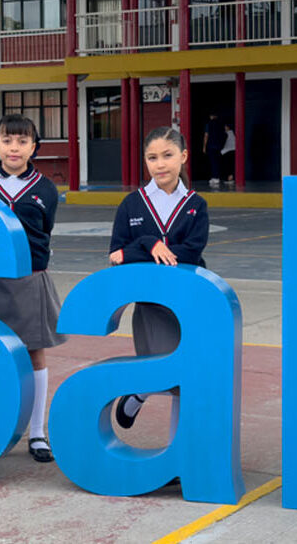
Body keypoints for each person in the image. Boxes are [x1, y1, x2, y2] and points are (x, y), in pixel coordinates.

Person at [0, 114, 65, 464]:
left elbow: (45, 230)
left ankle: (37, 432)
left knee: (34, 353)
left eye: (23, 141)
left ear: (34, 147)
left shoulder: (44, 189)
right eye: (7, 140)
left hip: (29, 278)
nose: (14, 147)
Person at [109, 126, 209, 440]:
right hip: (151, 304)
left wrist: (140, 249)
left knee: (186, 379)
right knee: (156, 366)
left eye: (167, 155)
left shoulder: (196, 204)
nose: (160, 164)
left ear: (183, 156)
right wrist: (150, 243)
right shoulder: (131, 204)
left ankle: (177, 451)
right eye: (152, 157)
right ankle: (139, 393)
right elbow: (116, 253)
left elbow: (191, 252)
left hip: (188, 301)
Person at [203, 113, 227, 189]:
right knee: (218, 161)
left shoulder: (209, 124)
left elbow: (206, 135)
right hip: (219, 146)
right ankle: (219, 176)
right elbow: (225, 134)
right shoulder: (221, 124)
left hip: (211, 145)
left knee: (213, 161)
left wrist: (204, 146)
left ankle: (215, 177)